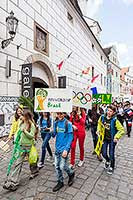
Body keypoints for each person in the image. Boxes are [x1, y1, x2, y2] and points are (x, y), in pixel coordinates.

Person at [3, 110, 39, 191]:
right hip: (21, 147)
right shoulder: (21, 123)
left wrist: (25, 131)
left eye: (22, 115)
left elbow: (31, 136)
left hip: (29, 147)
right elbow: (18, 133)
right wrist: (16, 141)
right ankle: (14, 182)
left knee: (32, 161)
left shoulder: (31, 125)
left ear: (26, 116)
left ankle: (35, 171)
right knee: (18, 163)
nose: (20, 117)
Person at [96, 105, 124, 175]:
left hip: (112, 140)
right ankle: (107, 160)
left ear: (113, 112)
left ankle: (112, 166)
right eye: (108, 110)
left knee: (111, 154)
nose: (108, 112)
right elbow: (99, 124)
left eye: (110, 111)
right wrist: (98, 130)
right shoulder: (102, 117)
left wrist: (116, 137)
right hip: (104, 139)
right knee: (104, 153)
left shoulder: (115, 120)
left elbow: (121, 130)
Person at [52, 112, 74, 192]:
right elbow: (54, 135)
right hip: (57, 148)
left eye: (61, 114)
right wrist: (52, 131)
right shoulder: (56, 123)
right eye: (58, 114)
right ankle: (60, 182)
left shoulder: (68, 123)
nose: (59, 115)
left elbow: (70, 137)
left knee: (62, 166)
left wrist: (66, 149)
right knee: (57, 166)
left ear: (64, 114)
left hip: (64, 149)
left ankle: (71, 173)